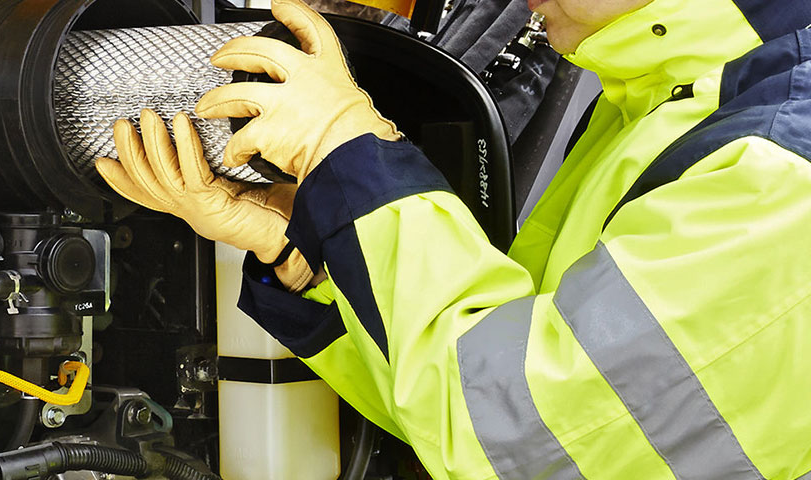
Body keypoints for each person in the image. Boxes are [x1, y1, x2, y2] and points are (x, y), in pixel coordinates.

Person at [95, 0, 811, 477]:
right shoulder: (668, 103)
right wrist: (308, 254)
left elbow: (514, 438)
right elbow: (455, 401)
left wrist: (347, 150)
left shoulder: (779, 171)